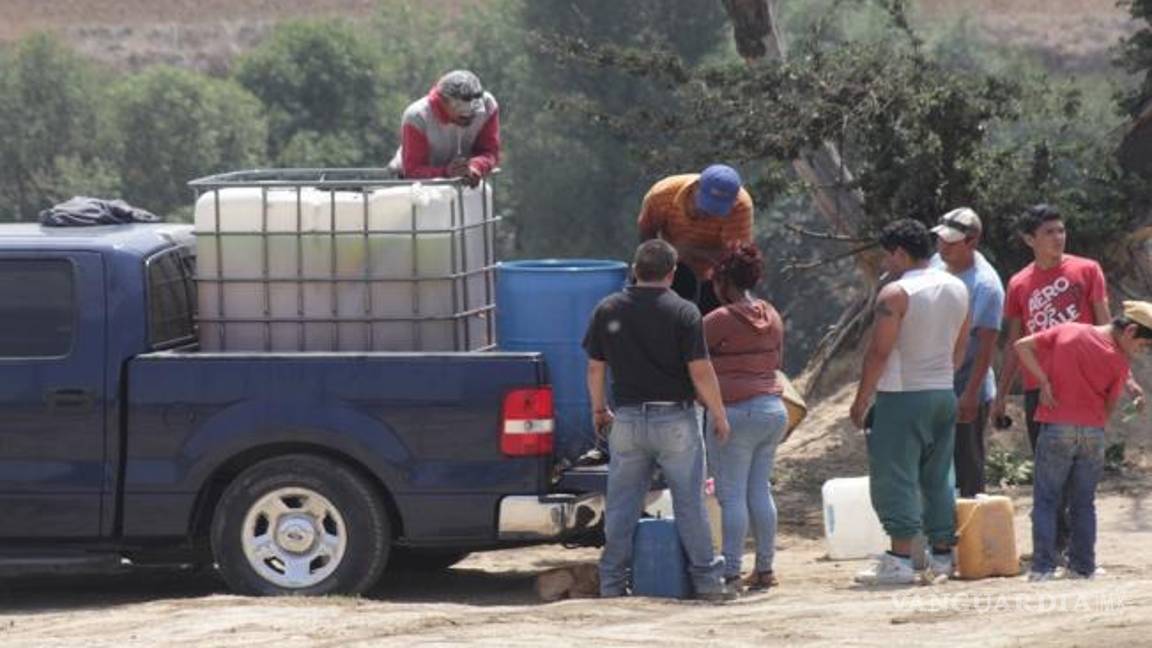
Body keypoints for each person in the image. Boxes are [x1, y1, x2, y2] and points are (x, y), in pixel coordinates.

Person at [582, 239, 737, 601]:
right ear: (671, 275)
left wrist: (599, 410)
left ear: (635, 271)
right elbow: (700, 371)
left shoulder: (608, 309)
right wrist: (718, 413)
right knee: (689, 504)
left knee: (622, 505)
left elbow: (594, 368)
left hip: (628, 420)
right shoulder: (684, 312)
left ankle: (613, 583)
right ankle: (708, 584)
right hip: (676, 420)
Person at [849, 219, 970, 585]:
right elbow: (960, 349)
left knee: (894, 475)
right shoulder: (958, 287)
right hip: (942, 392)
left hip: (903, 395)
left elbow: (879, 352)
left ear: (900, 252)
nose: (886, 263)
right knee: (938, 476)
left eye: (888, 255)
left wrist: (861, 400)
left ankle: (900, 559)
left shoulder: (895, 295)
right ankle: (943, 555)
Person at [1014, 302, 1152, 581]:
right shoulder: (1117, 360)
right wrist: (1098, 423)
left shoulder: (1069, 331)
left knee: (1046, 500)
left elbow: (1021, 345)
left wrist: (1043, 382)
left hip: (1055, 428)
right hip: (1093, 432)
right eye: (1143, 345)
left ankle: (1042, 568)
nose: (1141, 352)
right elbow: (1109, 406)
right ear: (1131, 330)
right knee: (1083, 502)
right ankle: (1083, 566)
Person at [703, 242, 788, 592]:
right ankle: (765, 569)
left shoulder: (718, 320)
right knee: (759, 491)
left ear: (723, 281)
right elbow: (778, 362)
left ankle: (732, 572)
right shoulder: (772, 315)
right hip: (772, 411)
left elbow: (694, 362)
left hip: (734, 414)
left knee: (732, 496)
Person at [930, 208, 1005, 497]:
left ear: (972, 242)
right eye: (940, 240)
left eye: (951, 243)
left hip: (965, 386)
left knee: (966, 464)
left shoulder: (985, 286)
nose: (942, 247)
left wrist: (971, 394)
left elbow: (987, 347)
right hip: (934, 383)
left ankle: (971, 532)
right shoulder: (938, 262)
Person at [637, 165, 753, 314]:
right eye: (705, 206)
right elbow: (647, 234)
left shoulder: (740, 206)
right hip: (671, 268)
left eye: (717, 211)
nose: (708, 214)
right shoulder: (661, 195)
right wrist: (661, 265)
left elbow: (735, 259)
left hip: (716, 276)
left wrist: (690, 251)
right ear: (696, 187)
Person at [388, 69, 499, 187]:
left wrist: (475, 167)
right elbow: (413, 171)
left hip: (464, 183)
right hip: (418, 187)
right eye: (460, 108)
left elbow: (489, 152)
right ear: (443, 101)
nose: (469, 114)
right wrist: (446, 173)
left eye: (475, 107)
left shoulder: (488, 106)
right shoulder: (417, 117)